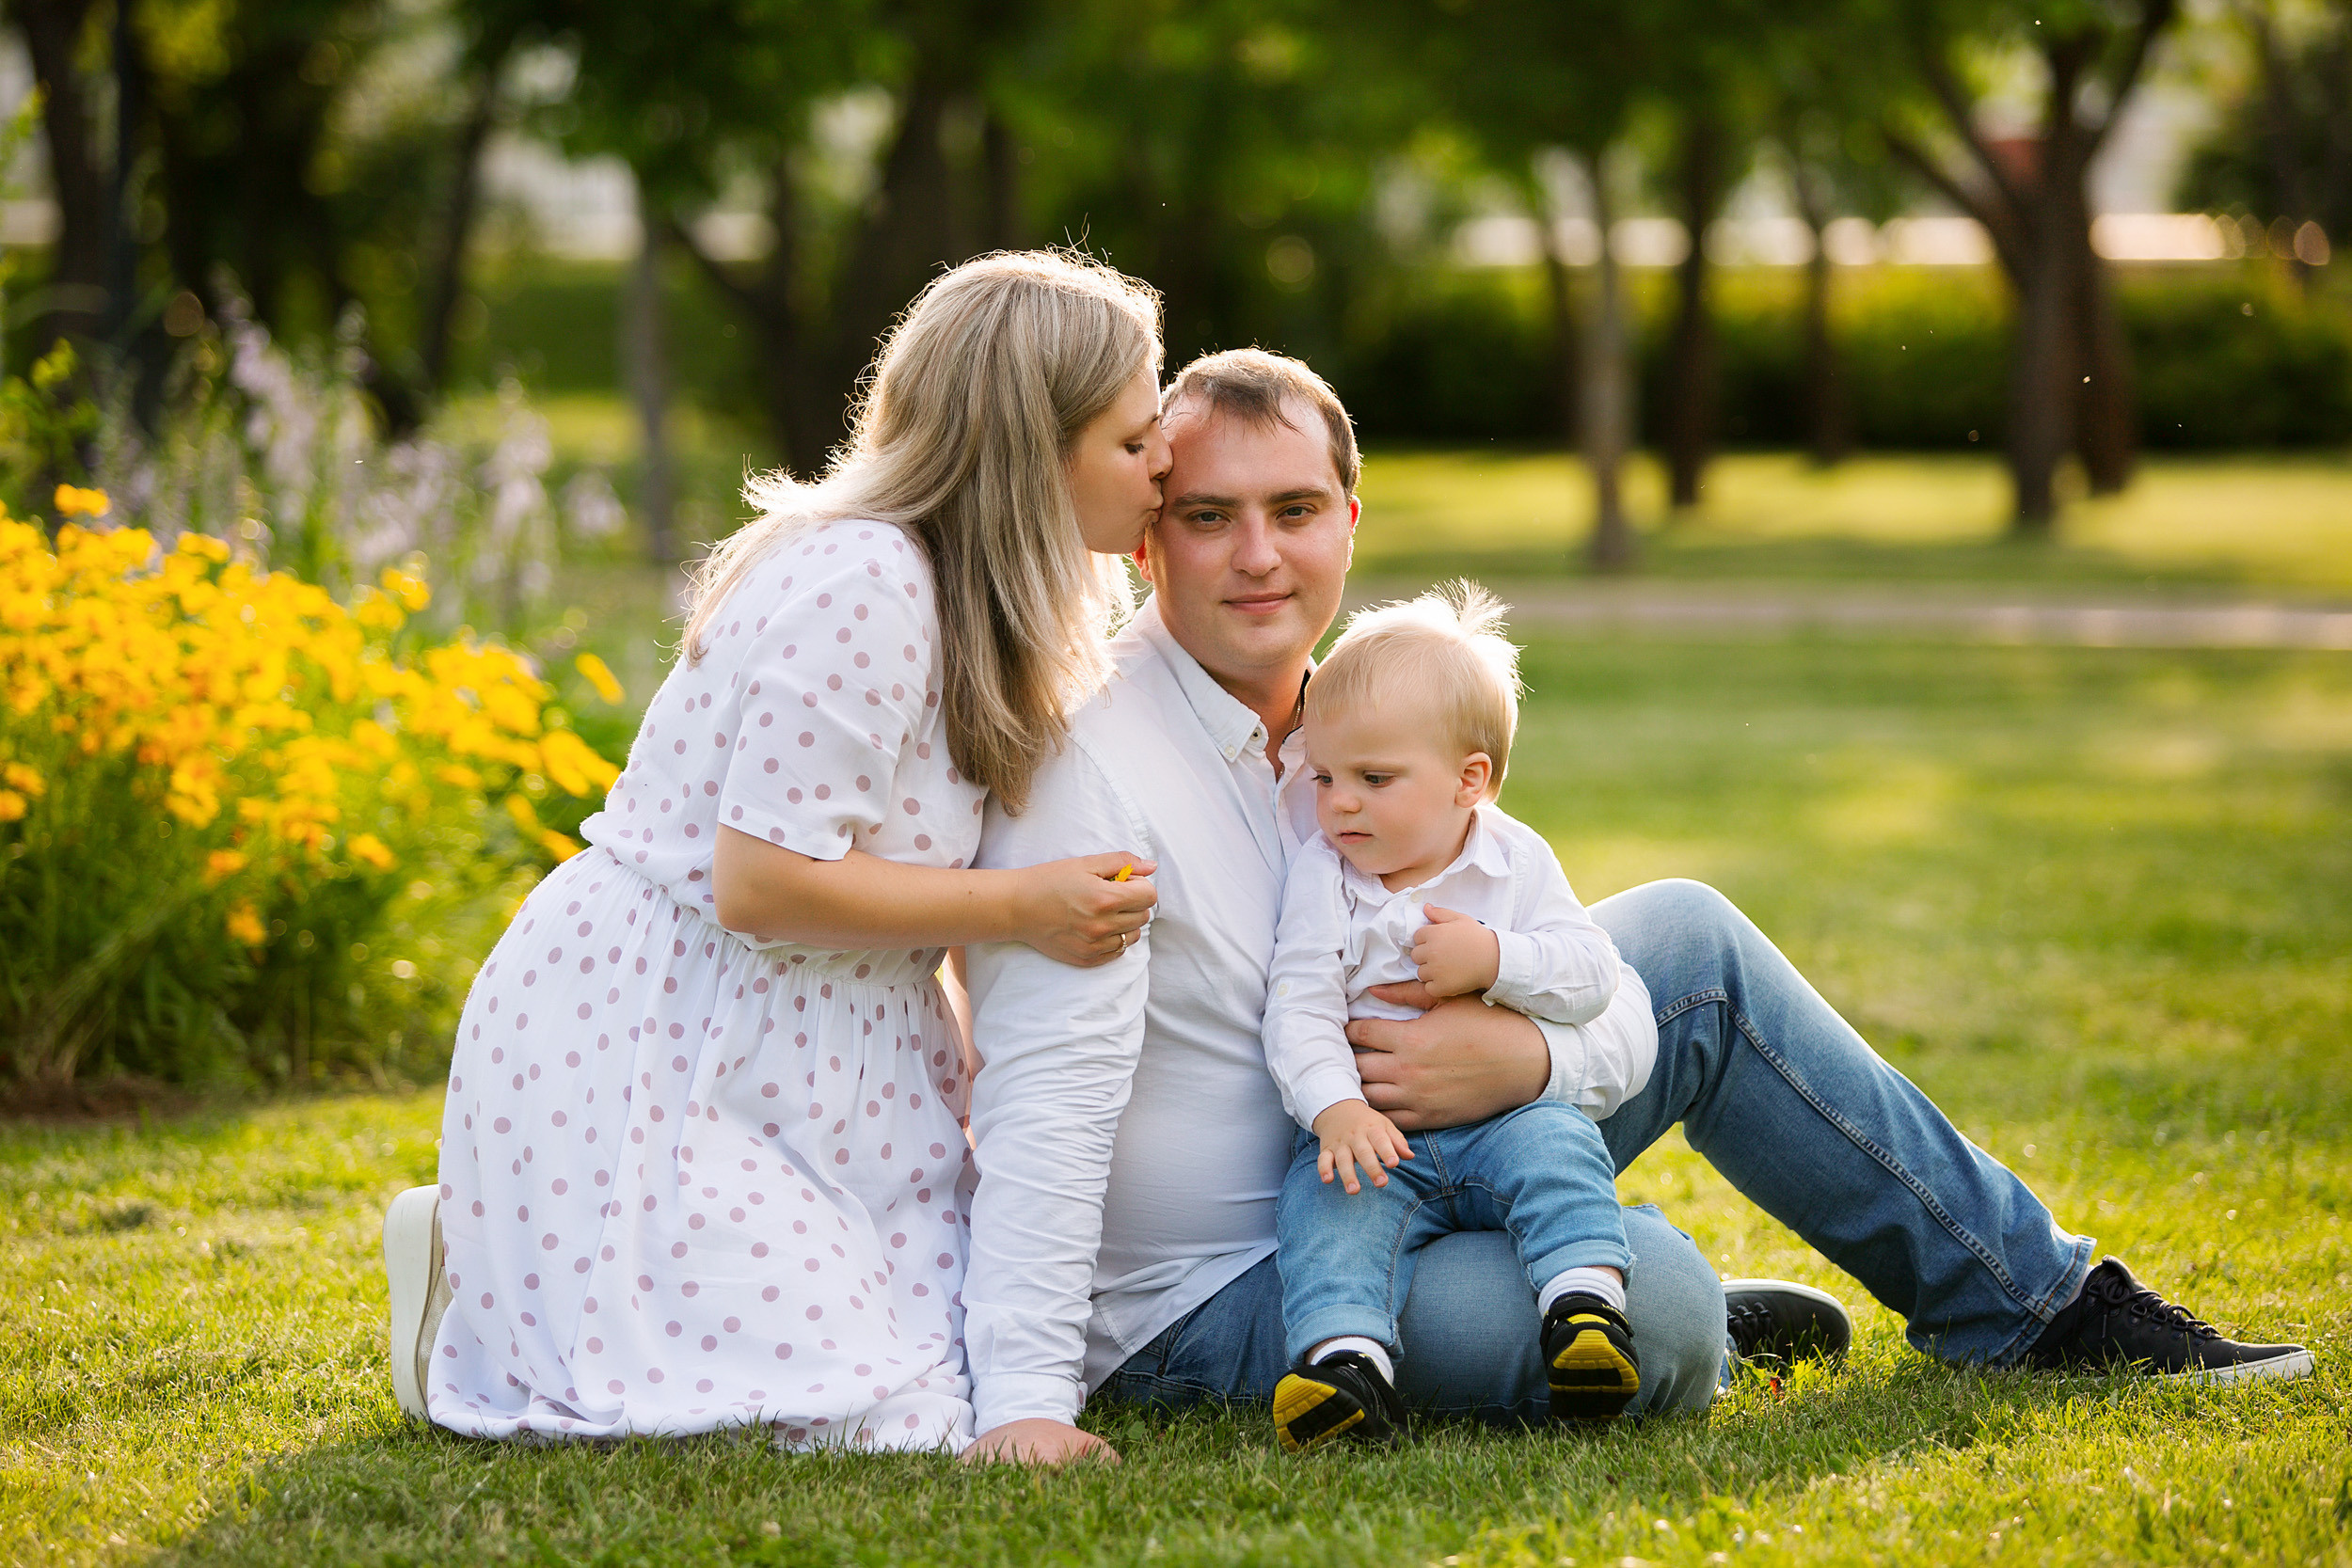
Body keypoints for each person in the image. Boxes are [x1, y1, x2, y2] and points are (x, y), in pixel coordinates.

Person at [957, 347, 2312, 1467]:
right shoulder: (1093, 764)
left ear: (1349, 524)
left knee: (1688, 938)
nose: (1259, 555)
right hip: (1229, 1279)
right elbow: (1039, 1092)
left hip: (1440, 1148)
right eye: (1210, 516)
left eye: (1295, 509)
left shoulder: (1362, 726)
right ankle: (1653, 1297)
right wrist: (1025, 1392)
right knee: (1658, 1310)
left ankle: (2037, 1304)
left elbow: (1592, 996)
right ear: (1148, 540)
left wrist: (1528, 1059)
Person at [378, 250, 1171, 1450]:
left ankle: (516, 1244)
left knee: (948, 1378)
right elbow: (758, 883)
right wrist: (1019, 906)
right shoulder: (869, 582)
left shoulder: (987, 607)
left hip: (837, 1059)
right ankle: (495, 1253)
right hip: (668, 1035)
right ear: (1031, 451)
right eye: (1133, 440)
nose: (1163, 463)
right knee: (851, 1417)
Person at [1264, 584, 1653, 1449]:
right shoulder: (1325, 875)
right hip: (1380, 1136)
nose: (1340, 803)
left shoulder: (1515, 859)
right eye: (1325, 777)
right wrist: (1336, 1108)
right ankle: (1346, 1363)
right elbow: (1298, 1006)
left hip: (1503, 1117)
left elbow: (1592, 972)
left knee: (1559, 1144)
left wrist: (1496, 960)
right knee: (1325, 1201)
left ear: (1469, 780)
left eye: (1373, 779)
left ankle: (1584, 1311)